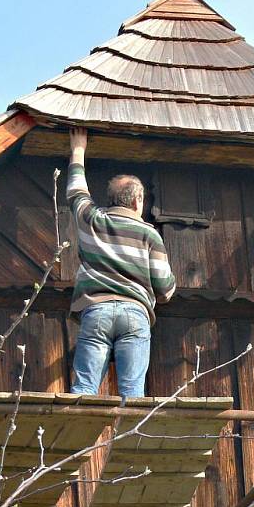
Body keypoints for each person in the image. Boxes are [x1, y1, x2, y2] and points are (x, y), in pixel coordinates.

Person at [66, 127, 176, 398]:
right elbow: (165, 289)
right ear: (138, 200)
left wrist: (78, 149)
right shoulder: (150, 234)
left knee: (84, 390)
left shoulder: (93, 220)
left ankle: (79, 441)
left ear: (111, 199)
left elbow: (76, 192)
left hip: (97, 310)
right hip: (135, 313)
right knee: (133, 393)